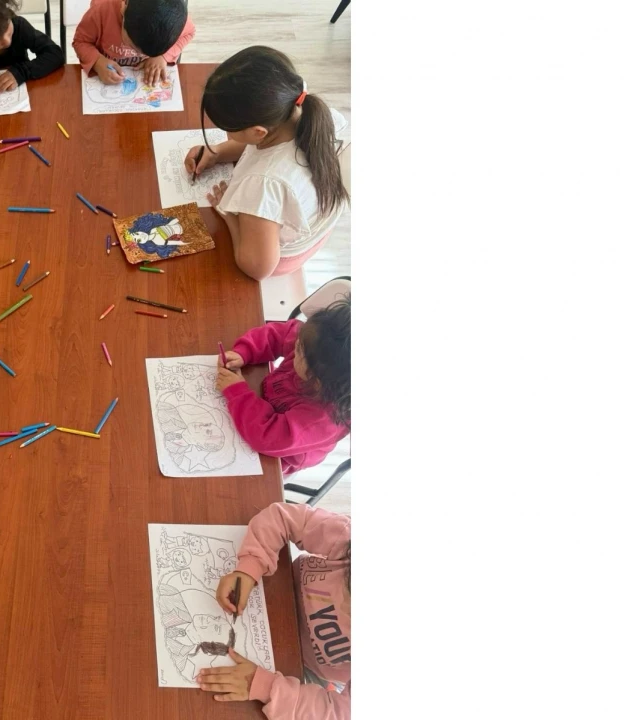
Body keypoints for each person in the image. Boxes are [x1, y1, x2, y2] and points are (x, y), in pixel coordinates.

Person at [186, 47, 349, 279]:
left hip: (282, 256)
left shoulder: (264, 183)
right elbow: (261, 147)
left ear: (258, 132)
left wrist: (229, 215)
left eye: (228, 130)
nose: (227, 135)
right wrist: (218, 152)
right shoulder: (302, 114)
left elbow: (257, 268)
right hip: (318, 226)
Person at [199, 502, 351, 718]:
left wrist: (265, 687)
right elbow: (283, 518)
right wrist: (251, 566)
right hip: (275, 591)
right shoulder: (347, 538)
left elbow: (339, 714)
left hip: (302, 667)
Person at [215, 297, 350, 475]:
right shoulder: (315, 341)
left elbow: (267, 438)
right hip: (261, 401)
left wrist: (238, 393)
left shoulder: (321, 419)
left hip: (279, 456)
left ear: (316, 379)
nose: (296, 344)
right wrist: (245, 352)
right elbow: (279, 335)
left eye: (299, 350)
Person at [73, 0, 195, 86]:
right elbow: (80, 41)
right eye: (131, 46)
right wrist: (97, 61)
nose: (134, 52)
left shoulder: (174, 19)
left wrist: (162, 56)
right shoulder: (101, 10)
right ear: (123, 9)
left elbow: (189, 33)